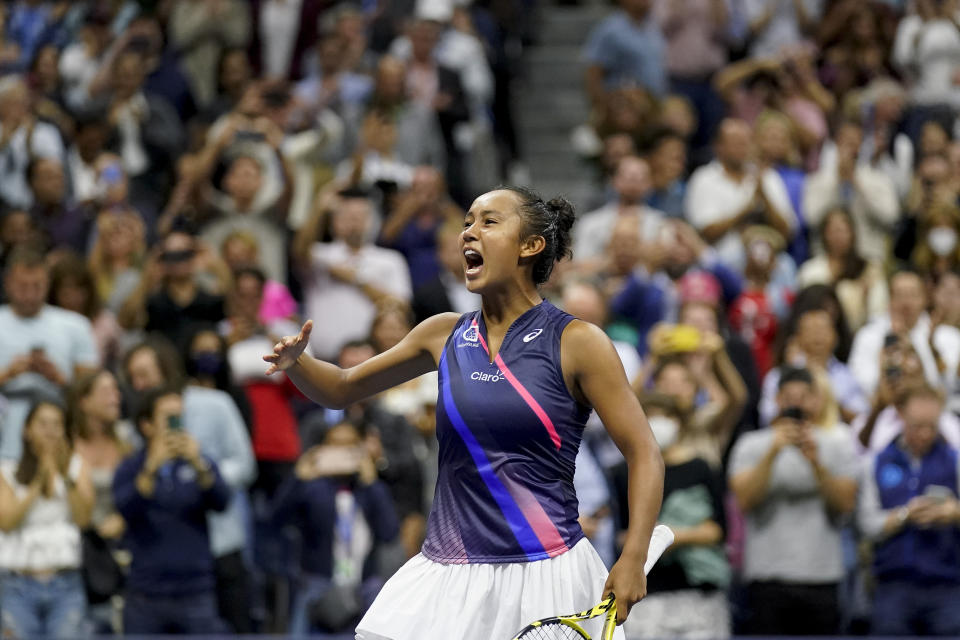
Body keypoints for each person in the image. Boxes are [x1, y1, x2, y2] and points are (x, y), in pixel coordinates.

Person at [264, 186, 665, 639]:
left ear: (530, 247)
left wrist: (633, 556)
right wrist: (297, 362)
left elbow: (644, 452)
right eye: (467, 222)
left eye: (489, 222)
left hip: (546, 570)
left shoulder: (578, 342)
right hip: (449, 576)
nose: (469, 233)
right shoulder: (441, 334)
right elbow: (339, 389)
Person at [122, 338, 256, 633]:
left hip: (221, 542)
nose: (137, 383)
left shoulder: (215, 403)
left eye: (143, 374)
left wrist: (201, 470)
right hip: (165, 553)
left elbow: (244, 465)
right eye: (133, 377)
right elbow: (133, 490)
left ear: (167, 370)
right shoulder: (141, 419)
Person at [729, 366, 858, 636]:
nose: (796, 404)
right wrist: (772, 453)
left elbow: (846, 504)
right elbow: (744, 501)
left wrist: (817, 465)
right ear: (777, 400)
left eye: (804, 396)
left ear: (817, 400)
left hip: (822, 576)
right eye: (789, 397)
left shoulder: (838, 444)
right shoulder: (751, 444)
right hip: (767, 577)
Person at [112, 386, 230, 634]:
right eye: (169, 418)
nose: (176, 425)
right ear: (147, 425)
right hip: (146, 594)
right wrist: (151, 468)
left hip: (195, 591)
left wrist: (198, 465)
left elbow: (222, 502)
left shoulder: (201, 462)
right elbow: (126, 509)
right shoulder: (131, 467)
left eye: (180, 417)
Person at [616, 393, 730, 639]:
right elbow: (618, 535)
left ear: (679, 422)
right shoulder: (621, 472)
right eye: (651, 416)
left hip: (699, 596)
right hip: (646, 597)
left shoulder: (700, 468)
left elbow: (718, 530)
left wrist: (668, 535)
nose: (659, 423)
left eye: (666, 416)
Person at [274, 420, 400, 636]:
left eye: (350, 445)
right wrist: (298, 477)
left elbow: (389, 533)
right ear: (323, 448)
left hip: (364, 589)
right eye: (336, 445)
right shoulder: (312, 487)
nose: (343, 452)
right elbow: (277, 520)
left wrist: (371, 481)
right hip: (319, 587)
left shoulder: (368, 489)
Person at [857, 383, 960, 636]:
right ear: (900, 416)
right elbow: (866, 524)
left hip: (947, 584)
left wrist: (954, 513)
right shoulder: (876, 462)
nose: (925, 433)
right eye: (917, 426)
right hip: (893, 584)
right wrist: (905, 515)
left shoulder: (955, 460)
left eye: (932, 426)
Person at [0, 400, 94, 639]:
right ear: (26, 429)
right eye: (42, 424)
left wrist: (64, 475)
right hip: (18, 585)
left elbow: (83, 518)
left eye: (56, 424)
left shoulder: (76, 466)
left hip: (66, 583)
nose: (50, 431)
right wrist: (38, 481)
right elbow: (7, 521)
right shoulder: (7, 471)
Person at [0, 246, 98, 460]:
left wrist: (58, 378)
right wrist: (8, 374)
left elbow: (92, 391)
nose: (29, 294)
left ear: (48, 284)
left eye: (37, 286)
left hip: (61, 431)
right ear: (7, 283)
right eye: (22, 286)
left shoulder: (76, 326)